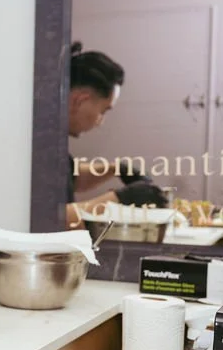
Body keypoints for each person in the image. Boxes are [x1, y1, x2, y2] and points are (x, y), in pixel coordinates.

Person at [64, 42, 167, 229]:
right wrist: (120, 199)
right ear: (80, 100)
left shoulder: (52, 139)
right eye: (103, 110)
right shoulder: (36, 142)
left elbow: (71, 179)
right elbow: (49, 219)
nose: (100, 121)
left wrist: (117, 168)